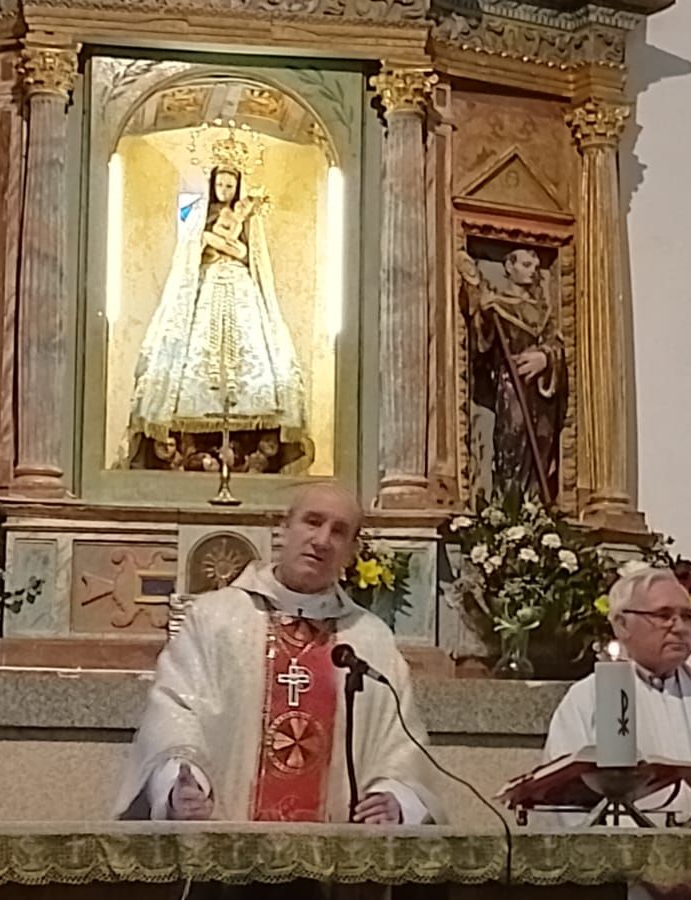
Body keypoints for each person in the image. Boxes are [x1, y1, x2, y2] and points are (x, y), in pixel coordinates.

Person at [115, 484, 442, 825]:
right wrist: (180, 785)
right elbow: (174, 711)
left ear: (352, 550)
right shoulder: (216, 619)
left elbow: (400, 744)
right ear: (283, 528)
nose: (322, 540)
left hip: (336, 863)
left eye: (339, 532)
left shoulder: (369, 639)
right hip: (224, 847)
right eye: (312, 522)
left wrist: (395, 798)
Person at [544, 565, 691, 900]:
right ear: (621, 624)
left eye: (687, 616)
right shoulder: (588, 700)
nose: (680, 627)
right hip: (632, 886)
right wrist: (646, 865)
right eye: (664, 614)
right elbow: (565, 798)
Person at [126, 161, 306, 467]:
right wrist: (213, 242)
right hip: (205, 288)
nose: (225, 191)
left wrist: (227, 244)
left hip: (240, 288)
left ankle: (252, 444)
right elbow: (191, 252)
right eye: (220, 185)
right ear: (212, 185)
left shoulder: (248, 219)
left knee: (251, 354)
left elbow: (250, 255)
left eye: (230, 186)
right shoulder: (199, 215)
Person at [458, 247, 565, 504]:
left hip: (540, 389)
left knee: (541, 442)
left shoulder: (543, 311)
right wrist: (482, 315)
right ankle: (510, 506)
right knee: (512, 442)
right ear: (509, 267)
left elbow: (556, 344)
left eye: (535, 266)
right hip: (510, 384)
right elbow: (481, 349)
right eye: (526, 265)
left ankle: (535, 506)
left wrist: (545, 357)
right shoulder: (497, 304)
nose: (533, 272)